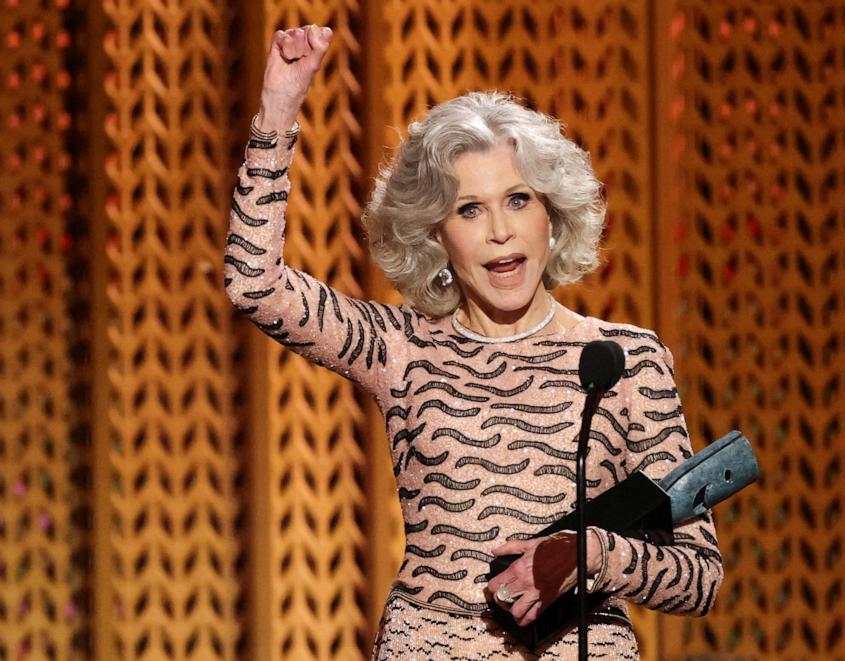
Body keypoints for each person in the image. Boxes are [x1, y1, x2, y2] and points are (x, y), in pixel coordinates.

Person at [225, 25, 723, 660]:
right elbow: (254, 285)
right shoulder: (401, 349)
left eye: (518, 200)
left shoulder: (626, 360)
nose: (498, 232)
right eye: (468, 210)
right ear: (434, 235)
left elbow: (700, 577)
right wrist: (277, 111)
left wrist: (587, 553)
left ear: (553, 214)